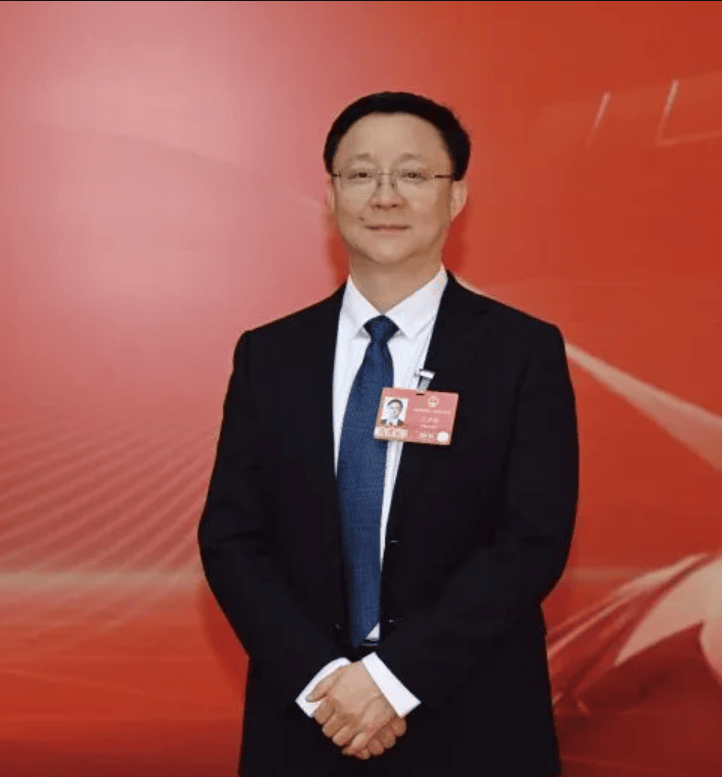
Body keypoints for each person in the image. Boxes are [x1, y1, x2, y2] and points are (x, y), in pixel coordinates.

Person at [197, 91, 579, 777]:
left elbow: (530, 541)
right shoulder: (270, 355)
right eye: (361, 174)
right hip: (310, 718)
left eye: (412, 174)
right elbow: (231, 539)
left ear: (455, 196)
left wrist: (393, 680)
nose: (385, 196)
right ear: (330, 194)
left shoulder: (521, 352)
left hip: (472, 713)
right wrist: (325, 683)